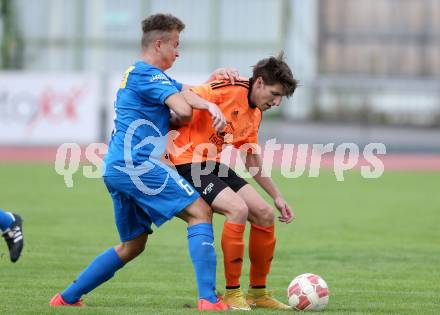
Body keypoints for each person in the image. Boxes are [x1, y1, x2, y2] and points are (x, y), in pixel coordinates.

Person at [49, 13, 238, 311]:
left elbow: (186, 91)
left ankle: (66, 298)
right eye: (175, 44)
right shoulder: (147, 74)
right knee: (200, 211)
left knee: (132, 245)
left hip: (117, 168)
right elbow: (183, 107)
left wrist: (212, 81)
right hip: (136, 165)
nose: (178, 51)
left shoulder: (144, 75)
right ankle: (209, 300)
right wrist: (203, 106)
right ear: (159, 44)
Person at [168, 52, 298, 310]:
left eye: (280, 98)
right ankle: (232, 292)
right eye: (274, 94)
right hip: (185, 161)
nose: (276, 102)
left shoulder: (255, 113)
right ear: (259, 83)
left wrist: (277, 196)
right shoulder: (229, 87)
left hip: (212, 164)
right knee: (237, 209)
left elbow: (251, 161)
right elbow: (185, 96)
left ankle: (258, 293)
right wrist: (208, 105)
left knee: (264, 214)